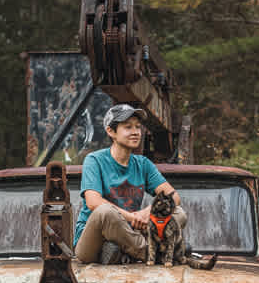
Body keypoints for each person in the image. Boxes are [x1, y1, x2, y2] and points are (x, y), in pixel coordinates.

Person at [73, 104, 186, 263]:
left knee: (179, 212)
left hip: (129, 233)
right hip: (93, 243)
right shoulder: (94, 160)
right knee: (105, 211)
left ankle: (124, 252)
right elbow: (93, 202)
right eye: (128, 127)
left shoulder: (143, 164)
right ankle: (152, 254)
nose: (135, 132)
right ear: (110, 131)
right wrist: (133, 218)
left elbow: (173, 196)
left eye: (138, 127)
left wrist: (147, 213)